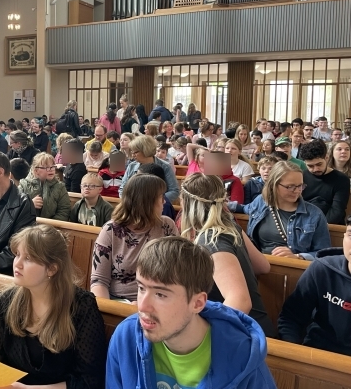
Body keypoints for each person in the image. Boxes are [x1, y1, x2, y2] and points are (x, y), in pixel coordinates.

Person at [106, 236, 276, 389]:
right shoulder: (126, 337)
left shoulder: (242, 356)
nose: (143, 307)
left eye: (160, 294)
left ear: (197, 303)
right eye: (141, 288)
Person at [0, 225, 106, 389]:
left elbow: (90, 381)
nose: (17, 264)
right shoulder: (2, 302)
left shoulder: (82, 306)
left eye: (28, 258)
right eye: (17, 254)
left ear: (52, 269)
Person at [180, 173, 275, 337]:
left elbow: (240, 301)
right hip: (257, 326)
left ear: (186, 204)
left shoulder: (210, 241)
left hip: (245, 335)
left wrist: (205, 336)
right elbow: (263, 266)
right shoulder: (229, 226)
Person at [91, 174, 178, 302]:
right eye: (161, 197)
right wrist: (111, 308)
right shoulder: (110, 230)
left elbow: (177, 270)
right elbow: (99, 281)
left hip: (158, 300)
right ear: (147, 202)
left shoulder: (167, 226)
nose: (164, 201)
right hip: (119, 301)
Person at [277, 220, 351, 356]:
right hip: (316, 354)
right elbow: (291, 317)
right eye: (350, 235)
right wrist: (293, 352)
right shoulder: (322, 269)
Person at [242, 161, 331, 260]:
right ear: (274, 184)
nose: (297, 191)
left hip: (293, 266)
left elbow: (324, 253)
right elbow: (244, 208)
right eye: (290, 186)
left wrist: (298, 256)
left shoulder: (314, 214)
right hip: (259, 262)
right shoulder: (261, 201)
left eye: (300, 186)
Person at [300, 139, 350, 224]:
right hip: (304, 222)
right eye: (310, 166)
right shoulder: (301, 176)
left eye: (319, 164)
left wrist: (319, 226)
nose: (315, 169)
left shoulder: (341, 179)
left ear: (326, 158)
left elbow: (337, 211)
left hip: (330, 225)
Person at [119, 136, 179, 201]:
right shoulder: (131, 166)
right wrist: (128, 200)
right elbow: (122, 188)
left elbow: (174, 191)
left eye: (135, 152)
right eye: (131, 152)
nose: (133, 155)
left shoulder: (165, 166)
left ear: (146, 151)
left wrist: (154, 201)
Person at [18, 152, 71, 221]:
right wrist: (30, 205)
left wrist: (49, 225)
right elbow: (15, 207)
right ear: (36, 170)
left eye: (53, 166)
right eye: (47, 167)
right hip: (28, 224)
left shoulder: (60, 187)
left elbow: (64, 210)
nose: (51, 169)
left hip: (52, 225)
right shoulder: (23, 185)